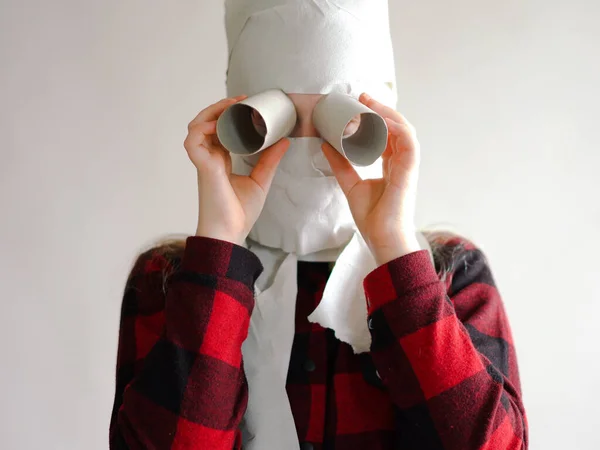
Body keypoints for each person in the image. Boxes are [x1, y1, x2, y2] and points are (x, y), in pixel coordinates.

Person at [109, 2, 528, 449]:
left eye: (341, 120)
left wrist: (397, 254)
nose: (307, 147)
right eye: (275, 117)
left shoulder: (452, 274)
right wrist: (218, 246)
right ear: (239, 112)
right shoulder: (168, 281)